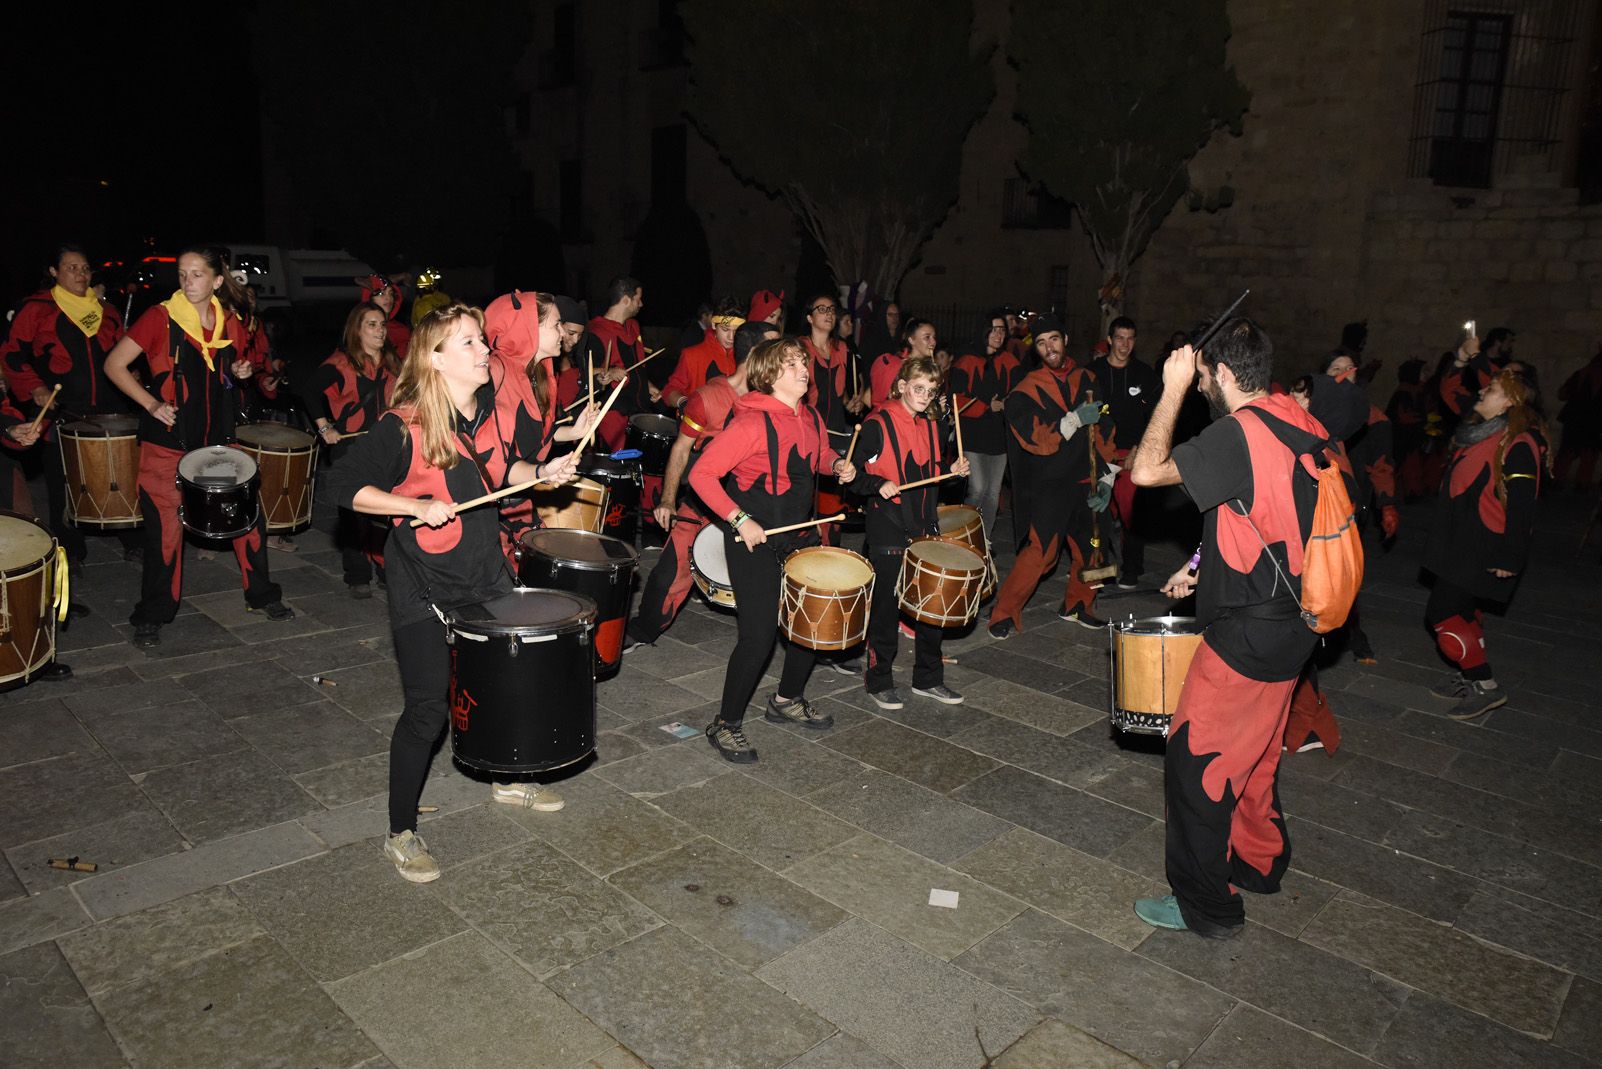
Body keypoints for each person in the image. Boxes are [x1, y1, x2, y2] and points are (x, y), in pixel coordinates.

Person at [329, 304, 584, 882]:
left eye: (479, 341)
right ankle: (400, 831)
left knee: (495, 685)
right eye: (467, 343)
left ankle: (503, 778)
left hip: (484, 572)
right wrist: (413, 505)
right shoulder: (403, 424)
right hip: (422, 584)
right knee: (427, 710)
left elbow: (503, 470)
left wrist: (541, 472)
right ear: (435, 359)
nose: (482, 351)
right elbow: (343, 487)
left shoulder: (488, 415)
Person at [1126, 318, 1326, 939]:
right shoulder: (1298, 418)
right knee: (1258, 754)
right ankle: (1262, 862)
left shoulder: (1239, 432)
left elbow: (1144, 471)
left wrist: (1172, 388)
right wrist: (1202, 566)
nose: (1204, 383)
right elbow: (1267, 510)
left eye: (1208, 374)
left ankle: (1206, 905)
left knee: (1196, 765)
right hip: (1299, 621)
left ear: (1227, 375)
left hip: (1246, 635)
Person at [103, 245, 294, 649]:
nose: (188, 282)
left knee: (248, 521)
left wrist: (242, 370)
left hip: (219, 444)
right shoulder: (160, 317)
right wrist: (152, 404)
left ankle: (261, 595)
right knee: (165, 534)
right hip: (167, 446)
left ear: (217, 281)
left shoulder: (230, 322)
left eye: (197, 274)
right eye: (183, 274)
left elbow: (237, 369)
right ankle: (153, 613)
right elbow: (114, 364)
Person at [687, 337, 857, 763]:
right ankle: (725, 723)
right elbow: (701, 474)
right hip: (753, 539)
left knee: (811, 620)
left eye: (803, 362)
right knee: (759, 636)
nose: (803, 369)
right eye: (791, 364)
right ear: (768, 375)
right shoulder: (749, 423)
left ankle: (787, 698)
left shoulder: (811, 416)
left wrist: (836, 463)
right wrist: (739, 519)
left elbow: (815, 453)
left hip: (797, 534)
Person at [626, 320, 776, 648]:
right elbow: (680, 447)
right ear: (753, 355)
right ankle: (642, 629)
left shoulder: (775, 402)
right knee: (669, 574)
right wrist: (666, 499)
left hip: (753, 506)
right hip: (704, 500)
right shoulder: (707, 397)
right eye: (774, 349)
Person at [1422, 367, 1546, 720]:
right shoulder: (1482, 431)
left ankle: (1485, 683)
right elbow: (1452, 392)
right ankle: (1468, 674)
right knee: (1464, 612)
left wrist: (1512, 555)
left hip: (1483, 546)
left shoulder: (1519, 442)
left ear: (1510, 400)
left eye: (1491, 389)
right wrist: (1461, 363)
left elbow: (1524, 506)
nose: (1482, 392)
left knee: (1441, 615)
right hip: (1460, 541)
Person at [849, 356, 970, 708]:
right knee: (886, 609)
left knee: (931, 605)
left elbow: (930, 471)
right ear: (902, 385)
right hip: (887, 526)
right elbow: (850, 474)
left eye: (931, 391)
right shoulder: (877, 424)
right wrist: (877, 483)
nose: (925, 396)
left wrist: (952, 470)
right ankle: (879, 679)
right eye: (918, 388)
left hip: (924, 525)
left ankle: (928, 678)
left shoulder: (932, 425)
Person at [1, 244, 132, 566]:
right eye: (72, 268)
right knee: (62, 481)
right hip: (60, 408)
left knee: (120, 474)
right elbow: (12, 354)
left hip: (108, 406)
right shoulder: (36, 309)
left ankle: (131, 537)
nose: (80, 274)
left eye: (85, 268)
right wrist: (36, 388)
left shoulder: (108, 311)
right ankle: (70, 550)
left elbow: (122, 358)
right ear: (54, 272)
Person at [987, 315, 1106, 637]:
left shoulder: (1088, 379)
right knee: (1042, 554)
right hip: (1050, 484)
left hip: (1086, 479)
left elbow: (1105, 432)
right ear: (1036, 349)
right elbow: (1036, 439)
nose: (1049, 347)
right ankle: (1003, 612)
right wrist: (1073, 421)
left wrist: (1107, 478)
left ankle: (1079, 604)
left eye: (1053, 339)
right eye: (1041, 342)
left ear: (1065, 338)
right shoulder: (1026, 390)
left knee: (1091, 547)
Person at [304, 301, 401, 597]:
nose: (380, 330)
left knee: (386, 512)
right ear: (356, 330)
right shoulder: (342, 363)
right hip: (351, 448)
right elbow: (309, 391)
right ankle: (357, 573)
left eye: (382, 324)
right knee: (353, 514)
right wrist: (324, 428)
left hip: (385, 448)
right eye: (372, 324)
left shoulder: (392, 361)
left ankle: (386, 568)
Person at [1088, 316, 1160, 587]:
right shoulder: (1092, 372)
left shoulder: (1144, 374)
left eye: (1130, 339)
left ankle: (1132, 568)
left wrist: (1139, 448)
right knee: (1100, 513)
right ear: (1109, 340)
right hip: (1100, 453)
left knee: (1131, 513)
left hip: (1131, 454)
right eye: (1119, 338)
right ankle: (1103, 569)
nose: (1124, 344)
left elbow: (1156, 416)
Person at [949, 311, 1022, 535]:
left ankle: (984, 539)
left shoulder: (1009, 361)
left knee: (992, 493)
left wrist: (1009, 403)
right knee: (978, 488)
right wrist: (986, 407)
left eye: (1002, 330)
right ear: (984, 332)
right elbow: (956, 400)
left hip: (999, 438)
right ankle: (966, 535)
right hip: (973, 436)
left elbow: (1020, 393)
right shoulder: (966, 360)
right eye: (993, 330)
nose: (998, 335)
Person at [580, 276, 652, 452]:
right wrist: (610, 372)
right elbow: (583, 372)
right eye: (638, 299)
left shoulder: (633, 327)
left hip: (639, 410)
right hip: (613, 414)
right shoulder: (595, 332)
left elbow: (637, 366)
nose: (641, 304)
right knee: (620, 467)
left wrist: (648, 386)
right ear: (626, 300)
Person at [662, 295, 740, 412]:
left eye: (736, 330)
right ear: (714, 325)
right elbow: (670, 390)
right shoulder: (691, 355)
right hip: (699, 427)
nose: (731, 337)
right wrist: (684, 402)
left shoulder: (745, 357)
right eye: (725, 329)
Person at [1555, 344, 1602, 491]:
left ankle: (1556, 480)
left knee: (1568, 452)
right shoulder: (1585, 373)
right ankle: (1581, 484)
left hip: (1576, 419)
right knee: (1588, 454)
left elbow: (1563, 393)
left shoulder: (1583, 372)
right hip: (1593, 420)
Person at [869, 318, 937, 407]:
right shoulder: (895, 365)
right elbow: (869, 399)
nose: (933, 342)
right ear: (911, 340)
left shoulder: (929, 367)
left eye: (934, 337)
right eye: (927, 337)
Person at [359, 274, 411, 358]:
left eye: (391, 293)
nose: (388, 298)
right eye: (381, 293)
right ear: (370, 298)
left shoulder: (402, 330)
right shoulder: (359, 328)